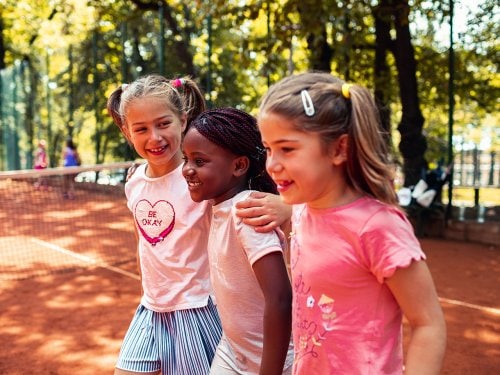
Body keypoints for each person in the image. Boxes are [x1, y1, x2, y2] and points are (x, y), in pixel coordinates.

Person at [257, 72, 447, 374]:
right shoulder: (304, 209)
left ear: (339, 149)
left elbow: (428, 324)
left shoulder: (378, 227)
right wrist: (284, 206)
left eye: (287, 149)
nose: (272, 164)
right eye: (268, 148)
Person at [106, 74, 290, 375]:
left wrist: (288, 206)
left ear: (182, 119)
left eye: (163, 124)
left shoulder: (201, 179)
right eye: (141, 129)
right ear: (127, 132)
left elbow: (243, 195)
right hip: (151, 307)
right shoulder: (134, 181)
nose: (154, 137)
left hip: (195, 307)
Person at [182, 107, 294, 375]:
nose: (187, 170)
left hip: (274, 362)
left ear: (239, 166)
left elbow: (280, 298)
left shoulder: (245, 211)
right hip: (233, 351)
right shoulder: (218, 206)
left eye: (199, 161)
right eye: (185, 159)